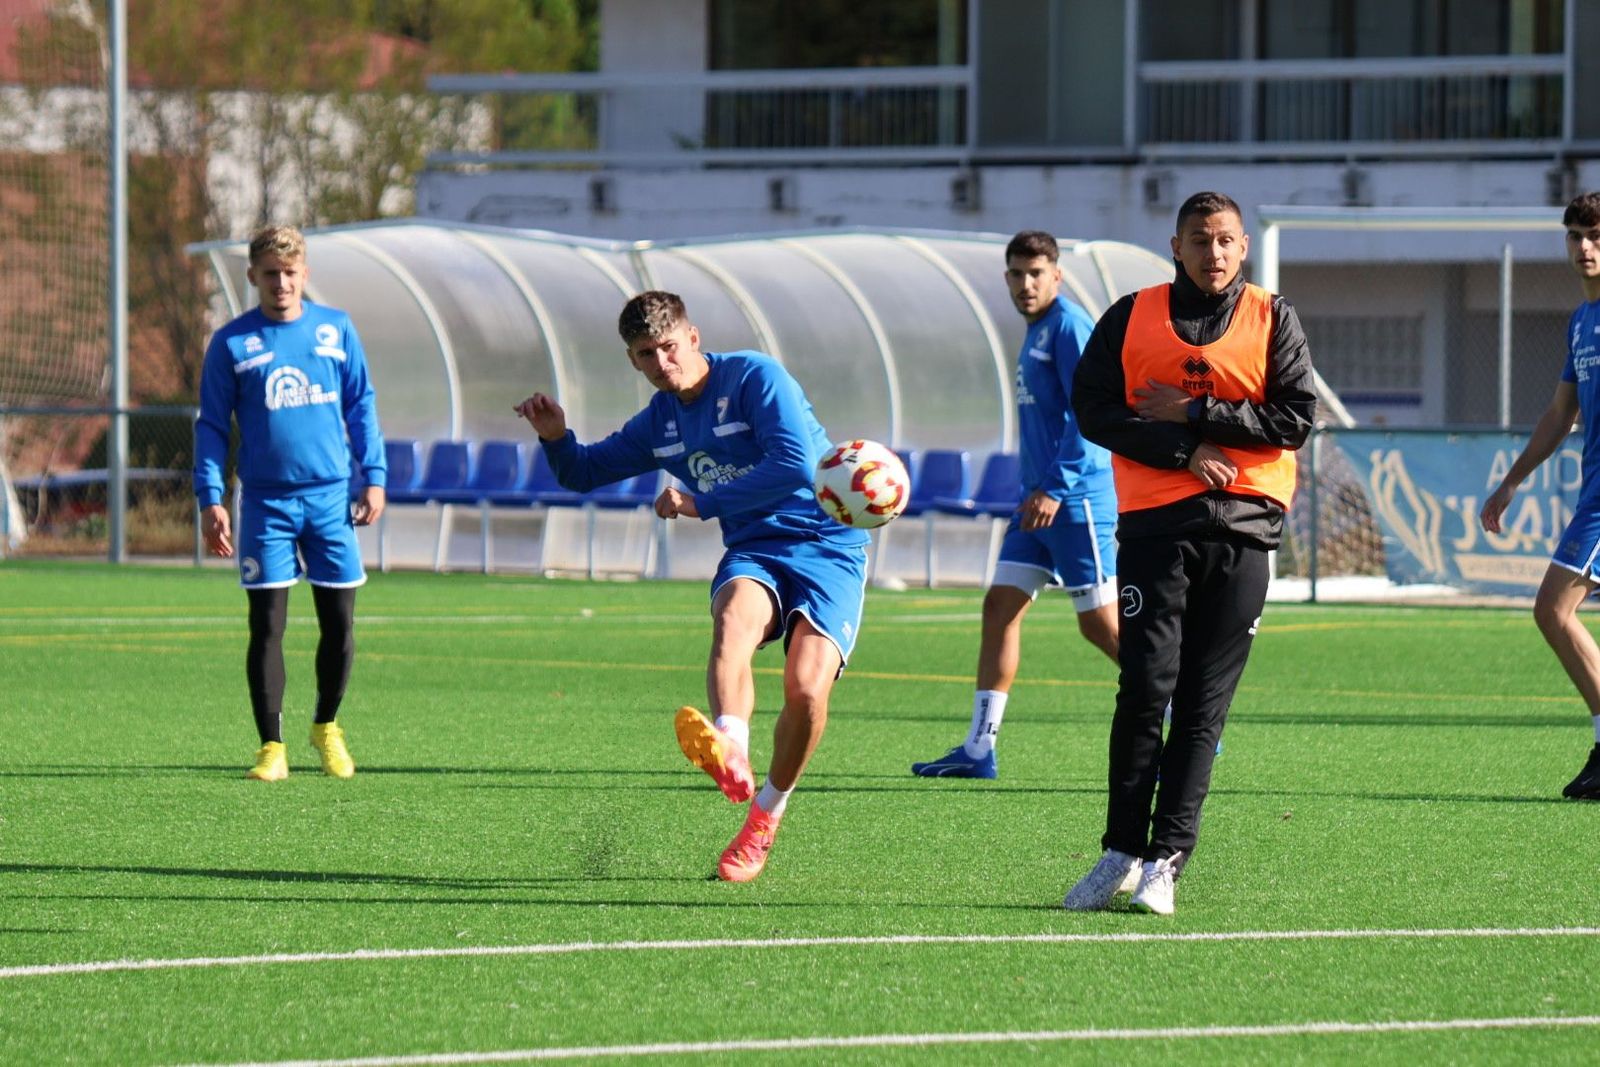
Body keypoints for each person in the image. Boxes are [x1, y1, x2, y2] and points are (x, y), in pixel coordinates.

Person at [514, 291, 871, 882]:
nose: (662, 363)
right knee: (733, 616)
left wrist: (700, 502)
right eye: (646, 354)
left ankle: (765, 818)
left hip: (826, 543)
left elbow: (793, 463)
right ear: (633, 361)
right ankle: (731, 745)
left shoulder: (755, 377)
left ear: (694, 337)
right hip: (757, 549)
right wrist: (557, 438)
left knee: (806, 691)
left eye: (669, 347)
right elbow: (583, 473)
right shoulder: (660, 422)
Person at [1062, 191, 1317, 915]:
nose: (1216, 253)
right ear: (1176, 245)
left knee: (1203, 702)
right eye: (1201, 240)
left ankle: (1166, 861)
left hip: (1245, 529)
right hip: (1154, 527)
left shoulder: (1275, 317)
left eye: (1228, 240)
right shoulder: (1130, 316)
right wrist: (1183, 447)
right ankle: (1120, 849)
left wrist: (1203, 412)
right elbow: (1094, 408)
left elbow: (1294, 418)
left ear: (1243, 247)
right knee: (1144, 687)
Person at [911, 230, 1119, 779]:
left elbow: (1093, 415)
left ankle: (1183, 715)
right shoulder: (1036, 332)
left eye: (1036, 273)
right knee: (999, 607)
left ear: (1057, 275)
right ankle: (979, 750)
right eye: (1017, 274)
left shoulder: (1070, 327)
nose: (1026, 284)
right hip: (1036, 502)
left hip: (1074, 500)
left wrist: (1056, 486)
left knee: (1100, 625)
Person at [193, 224, 386, 782]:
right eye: (270, 273)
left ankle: (326, 727)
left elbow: (362, 408)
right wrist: (211, 497)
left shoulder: (336, 330)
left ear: (305, 275)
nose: (281, 282)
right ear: (253, 276)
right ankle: (271, 747)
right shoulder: (232, 343)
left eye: (290, 272)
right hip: (266, 504)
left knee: (340, 625)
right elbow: (210, 426)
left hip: (330, 501)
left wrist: (373, 478)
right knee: (267, 626)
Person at [1480, 191, 1600, 801]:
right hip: (1593, 494)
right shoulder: (1581, 322)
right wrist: (1511, 481)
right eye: (1576, 234)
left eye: (1596, 235)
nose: (1585, 247)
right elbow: (1561, 413)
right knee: (1555, 613)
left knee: (1553, 610)